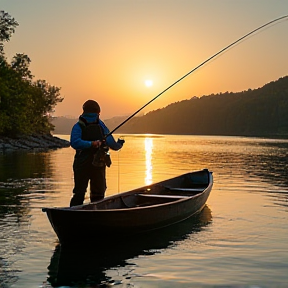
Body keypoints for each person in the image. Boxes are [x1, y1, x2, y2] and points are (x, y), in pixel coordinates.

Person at [69, 99, 124, 207]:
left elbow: (75, 142)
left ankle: (72, 214)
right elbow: (111, 143)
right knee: (98, 194)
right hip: (98, 163)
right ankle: (97, 213)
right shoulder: (101, 125)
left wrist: (90, 144)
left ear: (83, 111)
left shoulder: (78, 126)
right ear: (98, 112)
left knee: (79, 192)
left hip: (81, 163)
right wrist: (119, 145)